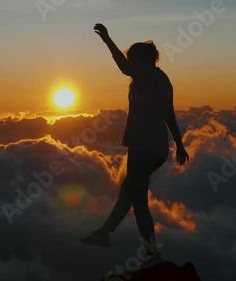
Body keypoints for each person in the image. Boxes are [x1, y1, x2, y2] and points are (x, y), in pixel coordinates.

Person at [80, 23, 189, 269]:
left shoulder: (146, 74)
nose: (131, 65)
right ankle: (104, 233)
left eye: (133, 60)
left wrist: (107, 40)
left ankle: (151, 253)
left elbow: (123, 68)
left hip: (143, 146)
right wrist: (179, 144)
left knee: (137, 200)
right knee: (129, 191)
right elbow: (169, 114)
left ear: (141, 61)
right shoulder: (162, 78)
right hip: (158, 148)